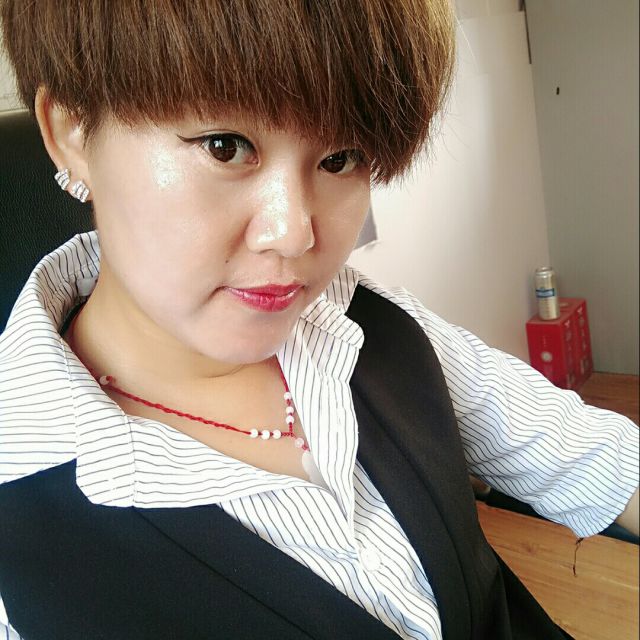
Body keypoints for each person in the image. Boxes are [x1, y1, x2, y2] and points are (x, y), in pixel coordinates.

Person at [0, 1, 637, 639]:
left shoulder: (368, 322)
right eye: (226, 146)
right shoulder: (19, 525)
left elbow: (593, 458)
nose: (295, 234)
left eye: (340, 159)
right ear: (73, 130)